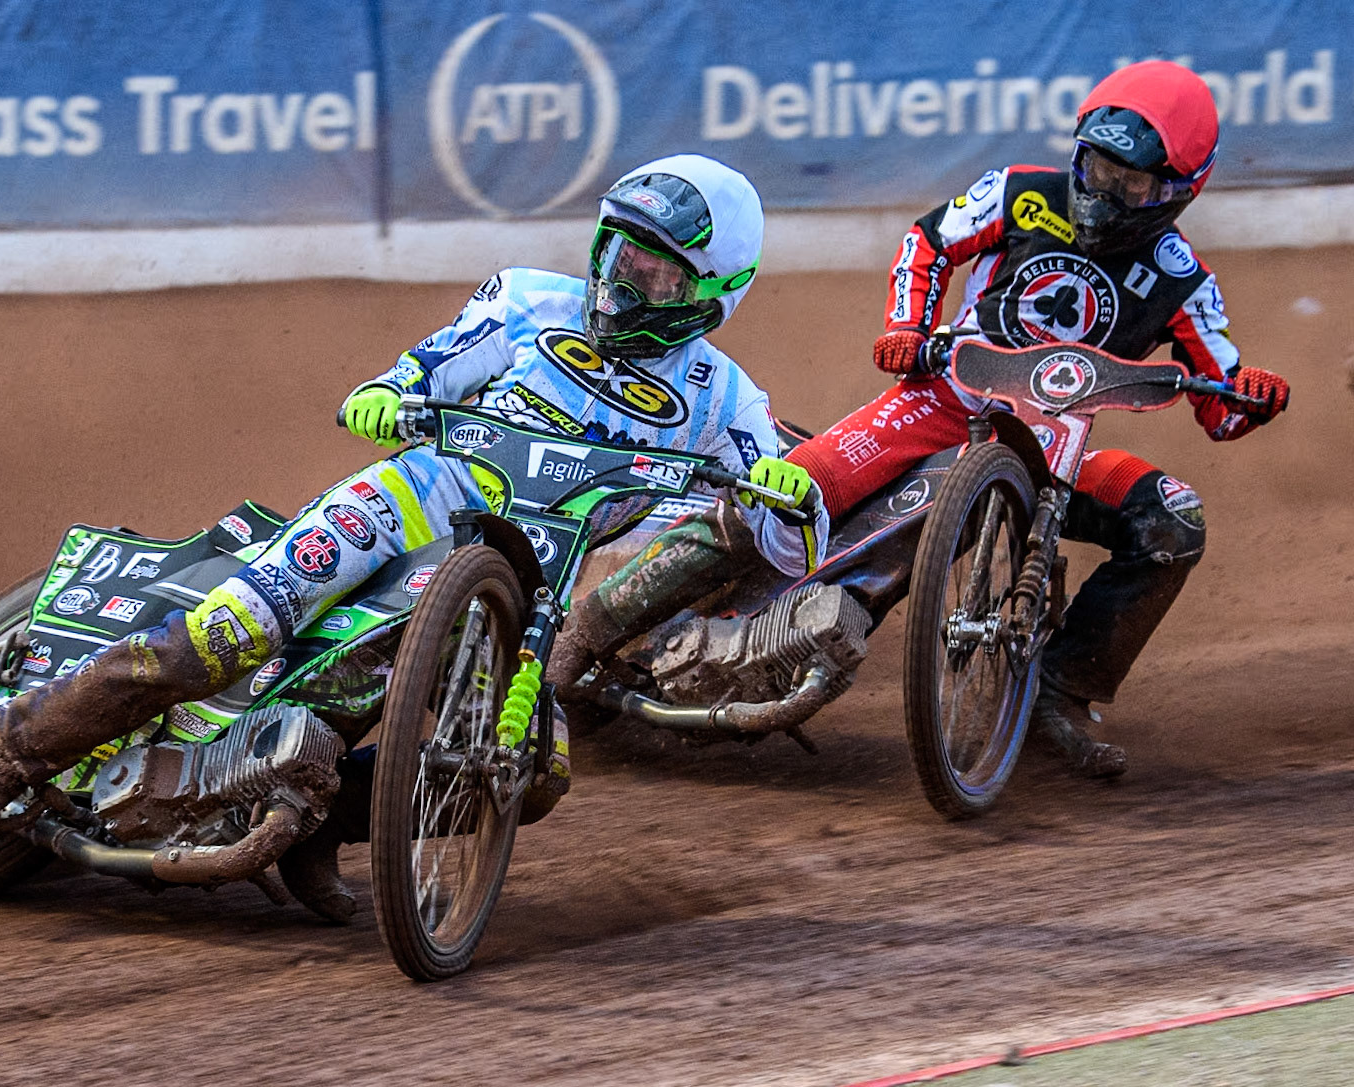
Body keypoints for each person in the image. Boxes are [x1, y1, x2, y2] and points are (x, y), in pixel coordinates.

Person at [0, 153, 828, 919]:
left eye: (656, 270)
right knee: (230, 629)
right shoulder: (526, 299)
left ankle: (311, 827)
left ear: (712, 292)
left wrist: (790, 497)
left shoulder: (724, 399)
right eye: (619, 251)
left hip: (532, 576)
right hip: (416, 493)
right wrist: (390, 392)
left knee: (532, 764)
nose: (626, 278)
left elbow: (791, 541)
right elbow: (427, 364)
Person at [552, 61, 1290, 779]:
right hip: (940, 399)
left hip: (1054, 447)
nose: (1102, 191)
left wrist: (1248, 395)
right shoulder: (1018, 193)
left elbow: (1219, 406)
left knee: (1172, 519)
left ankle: (1055, 695)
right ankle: (583, 634)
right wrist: (907, 326)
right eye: (1095, 168)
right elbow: (927, 242)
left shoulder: (1182, 279)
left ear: (1179, 190)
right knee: (781, 493)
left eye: (1127, 181)